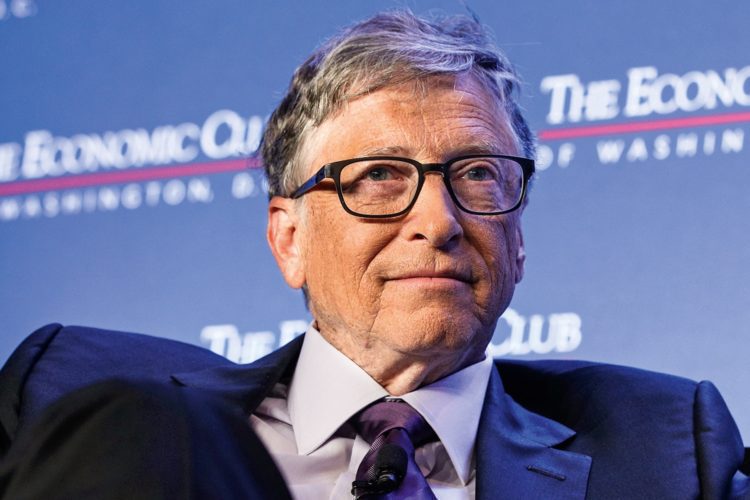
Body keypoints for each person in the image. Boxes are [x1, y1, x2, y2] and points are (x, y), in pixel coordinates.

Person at [0, 9, 748, 500]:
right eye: (381, 177)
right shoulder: (88, 403)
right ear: (289, 238)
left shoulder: (667, 451)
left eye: (478, 174)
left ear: (518, 238)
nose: (439, 220)